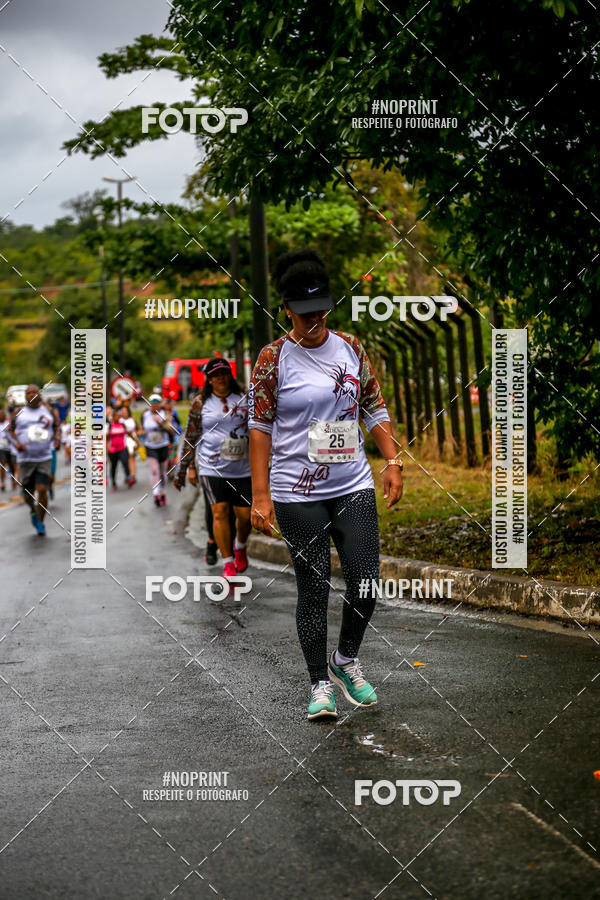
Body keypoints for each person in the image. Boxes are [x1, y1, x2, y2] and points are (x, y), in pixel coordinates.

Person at [249, 249, 403, 721]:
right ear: (287, 311)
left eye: (322, 311)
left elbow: (373, 407)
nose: (315, 320)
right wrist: (259, 494)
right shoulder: (273, 358)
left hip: (352, 481)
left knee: (365, 578)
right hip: (297, 492)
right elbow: (259, 426)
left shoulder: (352, 347)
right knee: (313, 588)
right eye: (305, 313)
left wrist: (393, 459)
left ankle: (346, 659)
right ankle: (319, 684)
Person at [174, 358, 251, 584]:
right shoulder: (200, 403)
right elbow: (191, 436)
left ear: (230, 375)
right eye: (215, 374)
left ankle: (241, 547)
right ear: (209, 379)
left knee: (245, 517)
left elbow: (259, 427)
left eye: (224, 373)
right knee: (219, 512)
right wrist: (186, 468)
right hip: (212, 467)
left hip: (243, 468)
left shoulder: (245, 397)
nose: (221, 377)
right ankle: (227, 563)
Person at [9, 384, 60, 535]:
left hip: (44, 457)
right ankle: (32, 510)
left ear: (39, 395)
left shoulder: (48, 411)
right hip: (25, 459)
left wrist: (56, 440)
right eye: (28, 393)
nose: (31, 395)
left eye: (34, 392)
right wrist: (16, 444)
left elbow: (57, 427)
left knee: (42, 489)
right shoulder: (18, 413)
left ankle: (40, 522)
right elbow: (8, 431)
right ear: (25, 396)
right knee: (27, 493)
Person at [142, 395, 174, 506]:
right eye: (152, 402)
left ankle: (162, 490)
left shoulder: (166, 414)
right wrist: (141, 433)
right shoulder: (145, 415)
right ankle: (156, 493)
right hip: (150, 446)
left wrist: (159, 423)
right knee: (154, 470)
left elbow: (171, 430)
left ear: (160, 404)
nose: (154, 405)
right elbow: (143, 428)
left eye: (157, 402)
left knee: (162, 472)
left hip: (163, 445)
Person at [106, 408, 133, 489]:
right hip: (113, 449)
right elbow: (106, 438)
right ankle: (114, 481)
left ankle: (128, 477)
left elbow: (129, 433)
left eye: (118, 416)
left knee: (125, 462)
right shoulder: (110, 426)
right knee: (114, 466)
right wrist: (108, 447)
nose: (118, 418)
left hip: (122, 447)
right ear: (113, 417)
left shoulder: (123, 425)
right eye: (116, 416)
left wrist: (135, 441)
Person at [121, 407, 139, 484]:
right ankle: (127, 474)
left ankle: (133, 475)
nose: (124, 413)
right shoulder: (120, 420)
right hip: (122, 441)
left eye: (125, 411)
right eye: (123, 411)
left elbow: (137, 429)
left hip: (131, 440)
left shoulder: (132, 419)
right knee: (125, 459)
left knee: (132, 457)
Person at [0, 409, 16, 491]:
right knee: (2, 465)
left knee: (11, 465)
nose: (0, 416)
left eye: (2, 414)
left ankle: (13, 481)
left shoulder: (7, 424)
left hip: (9, 447)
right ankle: (2, 482)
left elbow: (12, 434)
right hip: (1, 448)